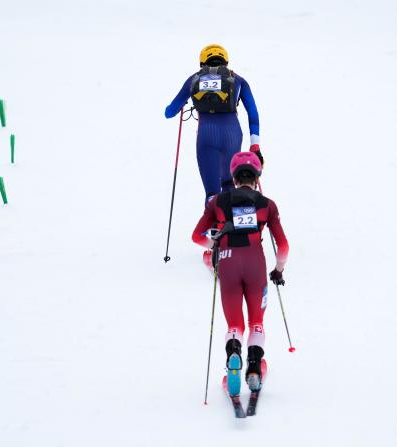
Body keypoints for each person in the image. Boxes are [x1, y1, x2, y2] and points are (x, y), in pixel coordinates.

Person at [191, 152, 289, 396]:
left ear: (234, 178)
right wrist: (278, 270)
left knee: (235, 324)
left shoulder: (217, 203)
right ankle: (255, 368)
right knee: (257, 321)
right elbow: (283, 247)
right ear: (257, 178)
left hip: (228, 264)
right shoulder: (268, 205)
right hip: (255, 264)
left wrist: (214, 246)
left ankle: (233, 354)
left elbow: (196, 237)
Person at [165, 44, 263, 203]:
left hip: (206, 135)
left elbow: (169, 113)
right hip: (233, 134)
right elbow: (253, 112)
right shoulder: (238, 80)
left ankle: (214, 226)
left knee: (212, 194)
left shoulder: (193, 80)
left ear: (202, 62)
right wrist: (255, 146)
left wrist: (180, 104)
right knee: (229, 185)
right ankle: (232, 225)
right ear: (226, 61)